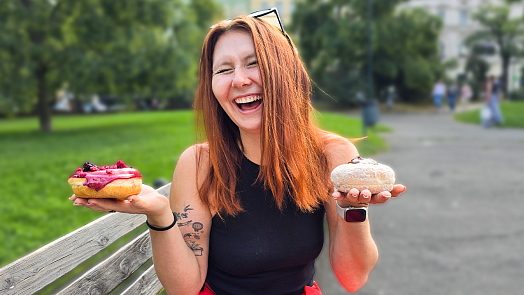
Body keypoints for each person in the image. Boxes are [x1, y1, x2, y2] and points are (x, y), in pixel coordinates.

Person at [70, 11, 405, 295]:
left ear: (284, 73)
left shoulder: (332, 155)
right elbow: (185, 287)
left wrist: (352, 210)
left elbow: (353, 277)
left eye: (253, 63)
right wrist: (159, 214)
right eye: (224, 69)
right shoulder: (200, 163)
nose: (240, 80)